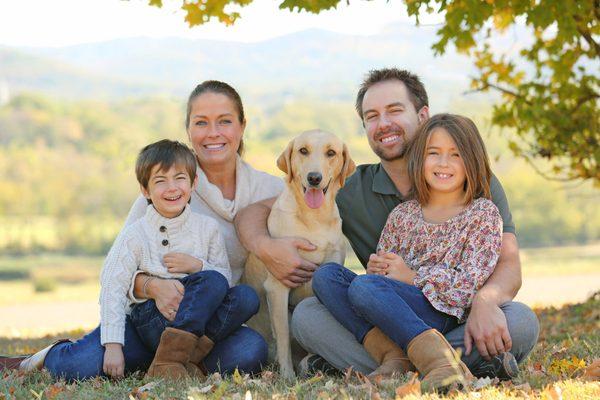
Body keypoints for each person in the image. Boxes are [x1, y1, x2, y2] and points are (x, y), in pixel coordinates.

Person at [234, 68, 539, 379]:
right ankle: (446, 362)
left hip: (458, 312)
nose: (383, 124)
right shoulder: (346, 186)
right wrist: (267, 247)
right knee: (309, 315)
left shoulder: (475, 183)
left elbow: (509, 263)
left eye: (395, 110)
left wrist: (486, 301)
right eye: (372, 116)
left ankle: (389, 365)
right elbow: (253, 212)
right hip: (381, 312)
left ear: (423, 116)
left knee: (521, 321)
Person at [1, 80, 284, 380]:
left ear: (242, 126)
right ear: (189, 129)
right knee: (78, 366)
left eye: (224, 121)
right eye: (201, 122)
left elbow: (231, 277)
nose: (213, 132)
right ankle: (47, 356)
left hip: (207, 328)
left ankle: (170, 362)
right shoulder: (162, 189)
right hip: (148, 317)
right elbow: (118, 270)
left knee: (250, 350)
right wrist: (152, 286)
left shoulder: (268, 189)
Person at [312, 114, 504, 392]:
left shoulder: (482, 214)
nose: (443, 163)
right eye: (433, 153)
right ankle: (395, 356)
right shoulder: (403, 214)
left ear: (471, 160)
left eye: (455, 155)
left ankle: (441, 363)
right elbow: (382, 280)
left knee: (366, 288)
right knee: (327, 276)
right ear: (419, 159)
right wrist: (380, 269)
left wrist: (411, 277)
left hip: (442, 309)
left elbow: (469, 285)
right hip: (395, 306)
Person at [101, 139, 242, 380]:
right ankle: (172, 359)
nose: (172, 188)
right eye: (160, 181)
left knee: (244, 297)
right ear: (145, 190)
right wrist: (113, 345)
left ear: (193, 183)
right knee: (214, 283)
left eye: (179, 178)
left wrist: (196, 266)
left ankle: (176, 359)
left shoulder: (207, 228)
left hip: (198, 323)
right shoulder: (135, 234)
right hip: (152, 319)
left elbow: (225, 280)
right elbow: (112, 287)